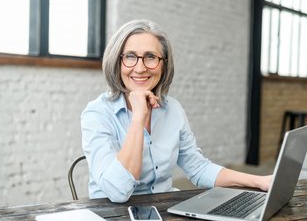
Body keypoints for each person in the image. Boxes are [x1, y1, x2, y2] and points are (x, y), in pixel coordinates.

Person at [81, 19, 272, 203]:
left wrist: (260, 181)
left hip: (163, 210)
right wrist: (138, 118)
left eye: (150, 57)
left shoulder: (172, 109)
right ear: (117, 62)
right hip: (112, 214)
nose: (140, 68)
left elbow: (198, 168)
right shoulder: (97, 114)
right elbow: (117, 191)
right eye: (130, 56)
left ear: (163, 65)